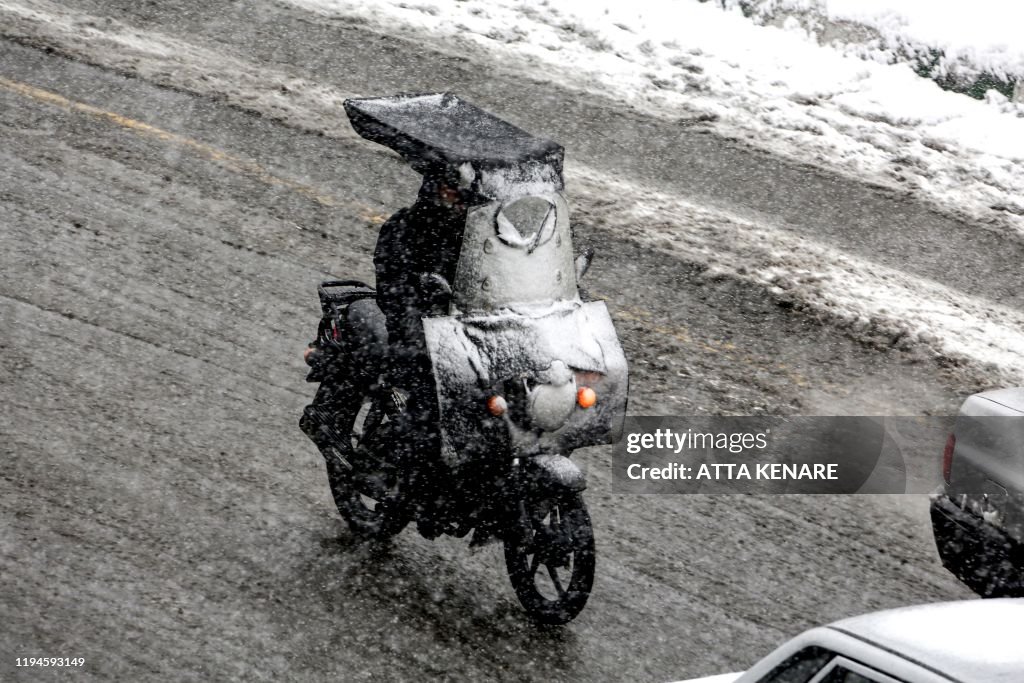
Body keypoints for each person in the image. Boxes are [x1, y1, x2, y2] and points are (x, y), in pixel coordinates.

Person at [372, 170, 469, 527]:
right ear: (432, 188)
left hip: (465, 336)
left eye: (461, 191)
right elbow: (394, 289)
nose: (455, 198)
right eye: (449, 189)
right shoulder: (405, 228)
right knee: (429, 409)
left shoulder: (477, 233)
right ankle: (414, 490)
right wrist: (417, 329)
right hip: (418, 337)